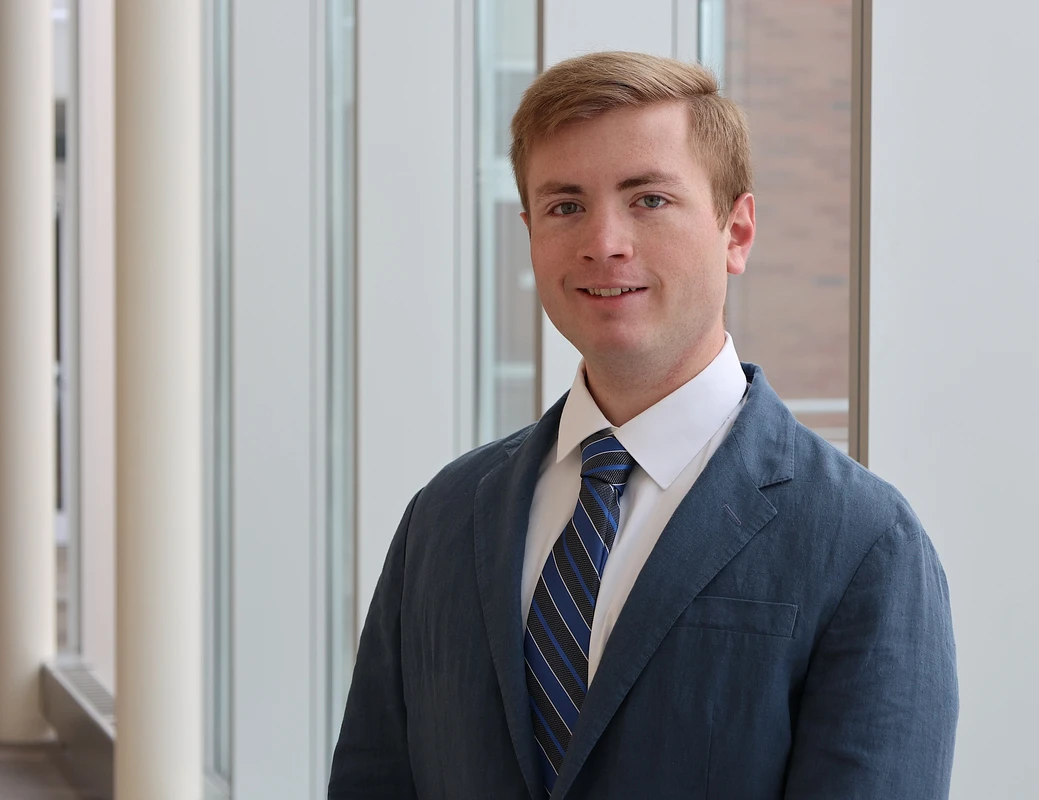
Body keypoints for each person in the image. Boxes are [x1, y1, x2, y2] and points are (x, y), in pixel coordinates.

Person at [328, 50, 958, 799]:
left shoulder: (864, 544)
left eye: (648, 200)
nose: (604, 241)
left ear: (738, 232)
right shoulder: (443, 517)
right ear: (530, 231)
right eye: (565, 205)